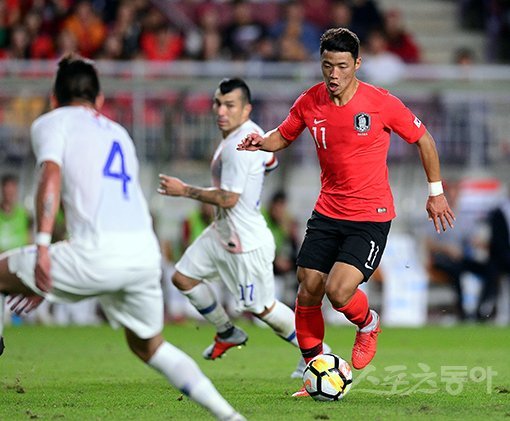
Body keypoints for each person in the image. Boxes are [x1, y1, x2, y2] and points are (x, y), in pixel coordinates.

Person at [0, 54, 244, 421]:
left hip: (93, 253)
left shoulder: (52, 122)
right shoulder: (120, 134)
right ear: (99, 100)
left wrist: (42, 250)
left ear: (54, 98)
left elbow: (50, 176)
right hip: (143, 257)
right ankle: (229, 416)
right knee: (149, 347)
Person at [237, 27, 455, 396]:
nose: (333, 74)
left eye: (341, 66)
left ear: (357, 63)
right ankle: (314, 371)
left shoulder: (381, 103)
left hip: (371, 215)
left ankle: (368, 323)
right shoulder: (310, 101)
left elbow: (423, 138)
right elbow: (285, 134)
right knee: (307, 288)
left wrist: (436, 192)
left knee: (338, 293)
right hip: (328, 211)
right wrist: (262, 142)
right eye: (327, 66)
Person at [158, 78, 315, 379]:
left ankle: (318, 353)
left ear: (246, 109)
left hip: (245, 242)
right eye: (218, 103)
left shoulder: (237, 147)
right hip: (222, 232)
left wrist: (185, 190)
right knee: (183, 277)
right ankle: (226, 330)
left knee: (263, 308)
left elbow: (229, 198)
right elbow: (270, 162)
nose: (220, 110)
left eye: (230, 105)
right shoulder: (251, 134)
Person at [0, 174, 31, 253]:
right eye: (7, 189)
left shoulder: (25, 214)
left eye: (12, 190)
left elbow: (29, 241)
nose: (10, 193)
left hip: (19, 260)